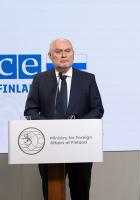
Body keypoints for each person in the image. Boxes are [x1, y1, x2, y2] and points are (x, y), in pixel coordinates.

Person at [24, 38, 104, 200]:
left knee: (80, 194)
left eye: (67, 51)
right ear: (50, 55)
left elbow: (97, 109)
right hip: (49, 148)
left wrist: (76, 126)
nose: (63, 55)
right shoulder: (39, 79)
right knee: (51, 195)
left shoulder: (88, 79)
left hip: (80, 147)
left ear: (73, 54)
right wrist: (53, 127)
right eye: (58, 51)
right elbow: (30, 110)